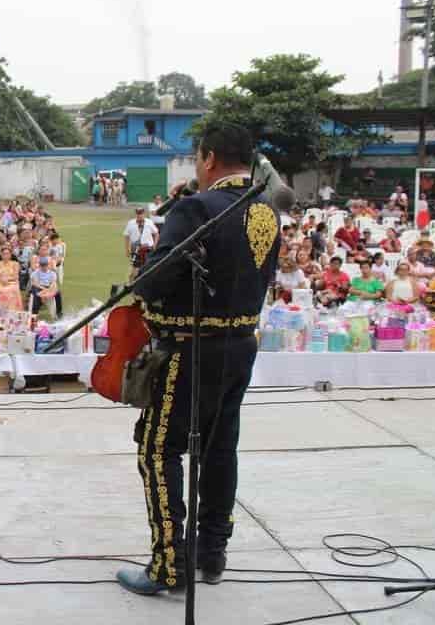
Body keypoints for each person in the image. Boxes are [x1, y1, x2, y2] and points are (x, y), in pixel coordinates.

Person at [116, 122, 279, 596]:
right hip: (240, 345)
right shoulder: (265, 209)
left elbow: (152, 283)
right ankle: (212, 553)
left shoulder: (196, 208)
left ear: (208, 159)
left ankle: (169, 564)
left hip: (191, 348)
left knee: (159, 447)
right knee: (219, 448)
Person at [123, 207, 159, 278]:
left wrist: (155, 245)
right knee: (134, 271)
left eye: (141, 213)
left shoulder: (149, 222)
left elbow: (156, 233)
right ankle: (130, 286)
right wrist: (127, 250)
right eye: (138, 213)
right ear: (136, 214)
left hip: (148, 249)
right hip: (136, 249)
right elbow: (126, 236)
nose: (139, 215)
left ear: (144, 214)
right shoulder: (130, 223)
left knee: (149, 269)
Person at [0, 246, 24, 312]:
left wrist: (7, 279)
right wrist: (1, 280)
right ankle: (2, 311)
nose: (6, 255)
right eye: (4, 254)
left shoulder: (15, 264)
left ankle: (12, 311)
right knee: (2, 291)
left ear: (10, 255)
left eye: (7, 253)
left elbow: (16, 276)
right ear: (1, 255)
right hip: (1, 283)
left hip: (12, 283)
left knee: (10, 291)